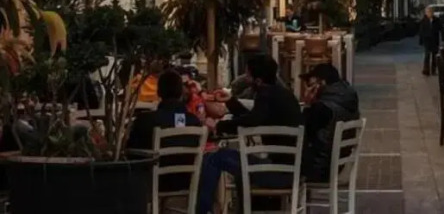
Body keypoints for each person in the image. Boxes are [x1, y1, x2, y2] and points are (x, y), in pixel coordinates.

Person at [197, 55, 302, 214]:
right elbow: (253, 117)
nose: (245, 79)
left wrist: (219, 126)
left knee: (213, 158)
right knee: (235, 166)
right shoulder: (284, 94)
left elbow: (252, 120)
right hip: (292, 169)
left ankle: (203, 211)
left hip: (277, 172)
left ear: (258, 80)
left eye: (248, 75)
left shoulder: (265, 95)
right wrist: (230, 101)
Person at [127, 70, 202, 193]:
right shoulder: (194, 121)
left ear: (159, 92)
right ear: (181, 92)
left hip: (151, 182)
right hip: (186, 181)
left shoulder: (145, 120)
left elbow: (131, 150)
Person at [299, 64, 360, 182]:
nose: (306, 88)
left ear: (321, 83)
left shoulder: (321, 108)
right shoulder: (347, 99)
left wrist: (307, 103)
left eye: (310, 85)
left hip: (317, 167)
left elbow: (301, 131)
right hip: (334, 165)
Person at [418, 5, 444, 76]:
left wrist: (443, 37)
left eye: (430, 12)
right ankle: (426, 69)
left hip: (435, 40)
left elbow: (441, 28)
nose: (429, 13)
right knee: (427, 55)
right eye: (428, 12)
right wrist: (421, 41)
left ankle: (433, 70)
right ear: (426, 13)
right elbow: (421, 31)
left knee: (434, 55)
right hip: (427, 40)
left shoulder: (437, 20)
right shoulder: (423, 21)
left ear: (433, 12)